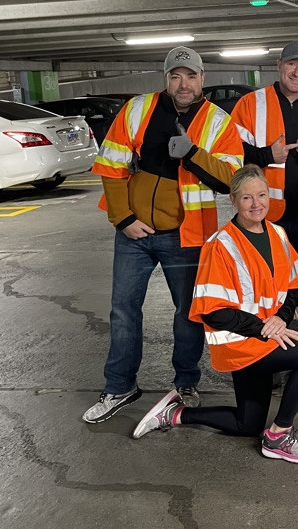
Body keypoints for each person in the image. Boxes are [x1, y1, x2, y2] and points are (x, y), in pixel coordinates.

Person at [83, 45, 244, 424]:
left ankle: (186, 382)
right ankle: (119, 385)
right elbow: (111, 165)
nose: (183, 83)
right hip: (134, 234)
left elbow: (230, 179)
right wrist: (123, 218)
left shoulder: (219, 122)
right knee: (123, 311)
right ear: (167, 79)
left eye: (190, 76)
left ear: (202, 79)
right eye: (175, 76)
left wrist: (192, 154)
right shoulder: (138, 109)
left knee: (188, 315)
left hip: (186, 236)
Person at [131, 165, 298, 463]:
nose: (256, 203)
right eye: (247, 198)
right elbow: (213, 313)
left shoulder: (277, 232)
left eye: (261, 195)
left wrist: (281, 318)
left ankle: (176, 413)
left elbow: (295, 285)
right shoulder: (220, 245)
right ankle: (280, 435)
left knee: (247, 425)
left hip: (266, 335)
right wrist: (265, 327)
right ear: (233, 200)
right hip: (242, 344)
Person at [229, 40, 298, 306]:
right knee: (263, 281)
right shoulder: (250, 104)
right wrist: (267, 155)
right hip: (262, 214)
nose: (297, 72)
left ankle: (297, 340)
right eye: (291, 64)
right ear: (279, 66)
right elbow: (230, 153)